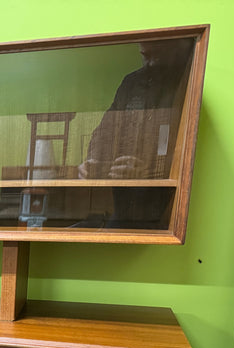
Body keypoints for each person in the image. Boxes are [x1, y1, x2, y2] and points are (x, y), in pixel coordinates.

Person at [78, 39, 194, 227]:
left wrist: (150, 173)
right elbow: (105, 131)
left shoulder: (186, 84)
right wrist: (93, 162)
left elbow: (186, 149)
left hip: (165, 205)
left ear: (176, 51)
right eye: (145, 56)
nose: (151, 63)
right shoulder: (131, 83)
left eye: (158, 56)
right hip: (122, 200)